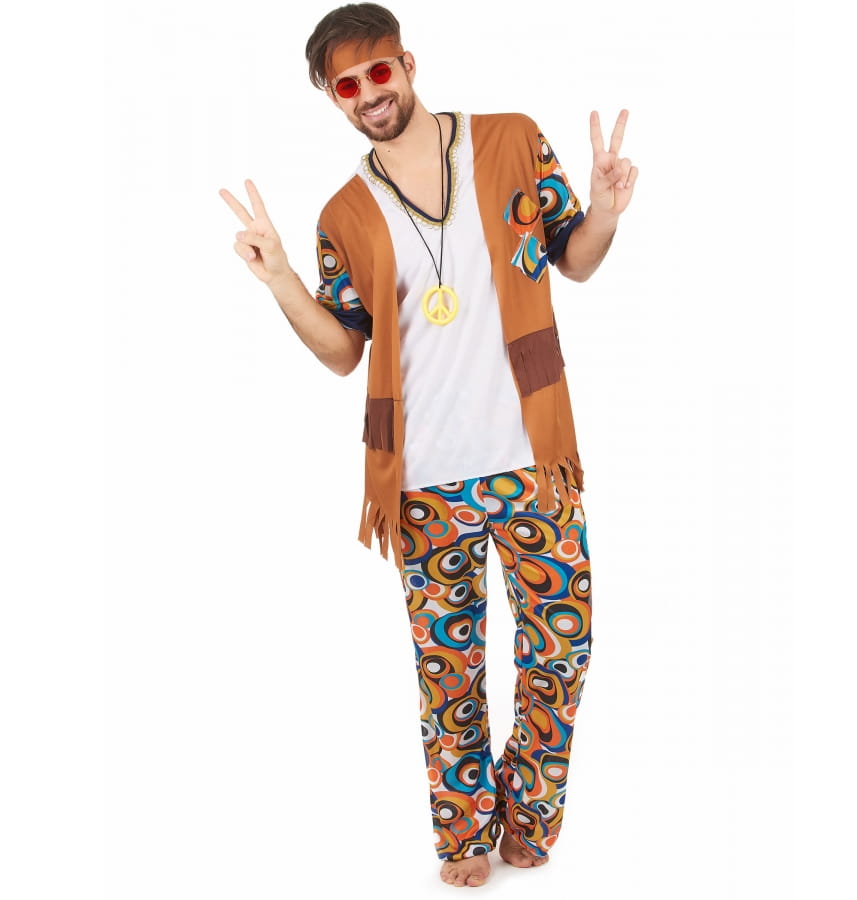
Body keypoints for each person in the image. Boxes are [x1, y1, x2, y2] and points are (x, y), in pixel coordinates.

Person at [220, 2, 637, 888]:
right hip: (420, 484)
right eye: (347, 85)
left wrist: (603, 210)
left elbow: (575, 259)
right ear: (331, 99)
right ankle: (465, 836)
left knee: (562, 653)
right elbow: (343, 351)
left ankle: (529, 814)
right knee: (449, 680)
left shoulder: (511, 140)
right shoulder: (344, 214)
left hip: (535, 462)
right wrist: (281, 278)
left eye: (379, 71)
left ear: (407, 65)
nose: (369, 93)